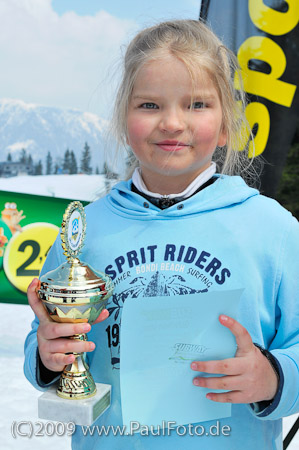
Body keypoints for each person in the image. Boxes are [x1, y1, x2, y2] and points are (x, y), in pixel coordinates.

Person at [24, 19, 299, 449]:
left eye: (197, 104)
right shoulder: (82, 230)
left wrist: (273, 376)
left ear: (227, 122)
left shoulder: (274, 230)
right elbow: (41, 342)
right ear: (123, 117)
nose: (172, 123)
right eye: (150, 105)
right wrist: (46, 355)